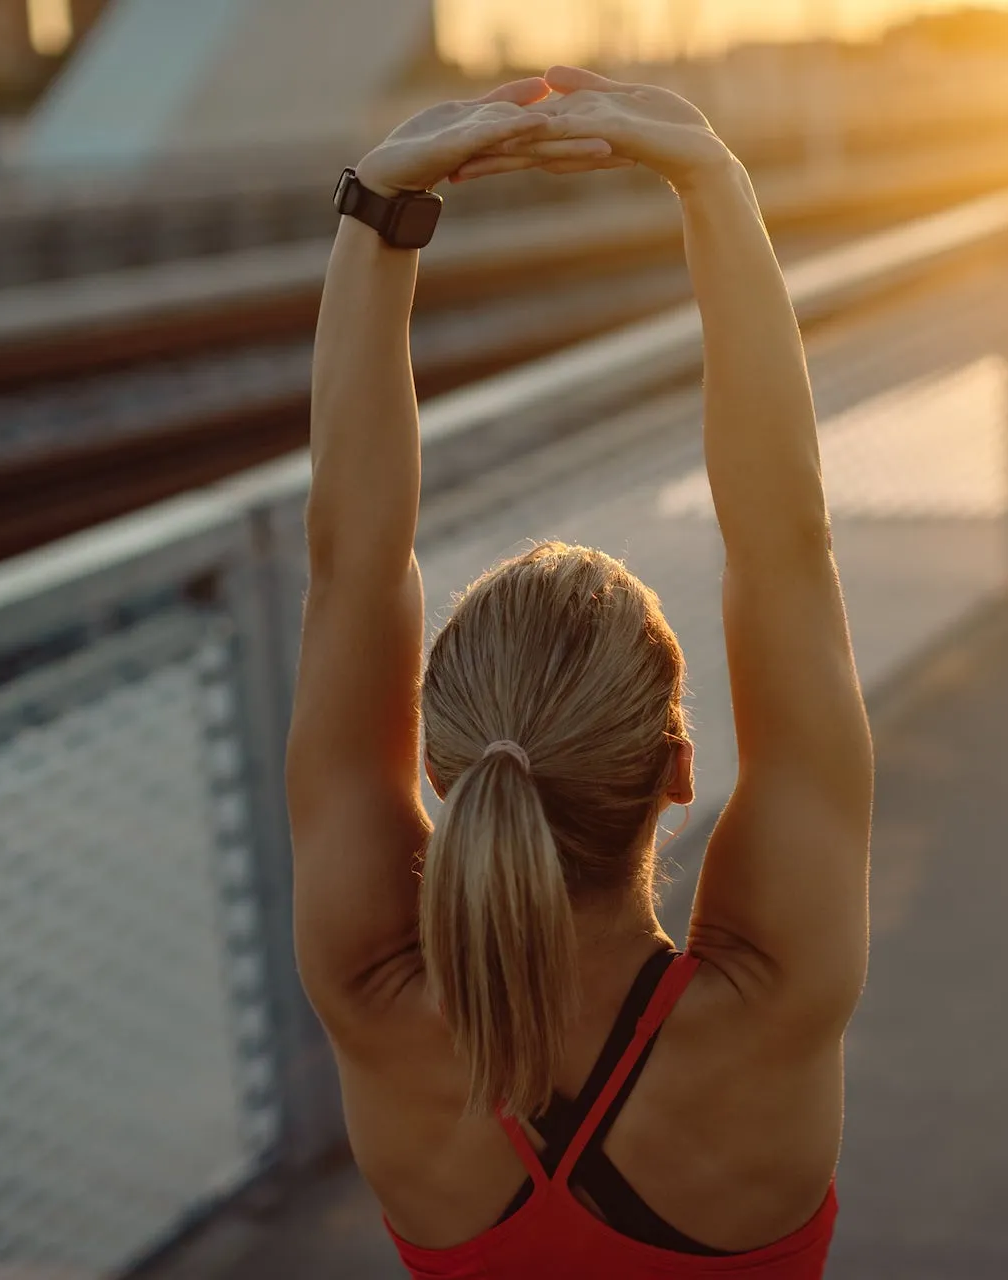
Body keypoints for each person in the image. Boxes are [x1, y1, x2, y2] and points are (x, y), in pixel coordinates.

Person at [284, 66, 873, 1278]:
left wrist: (379, 210)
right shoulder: (771, 1005)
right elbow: (787, 552)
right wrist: (710, 177)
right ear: (677, 767)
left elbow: (352, 568)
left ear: (442, 775)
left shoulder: (376, 999)